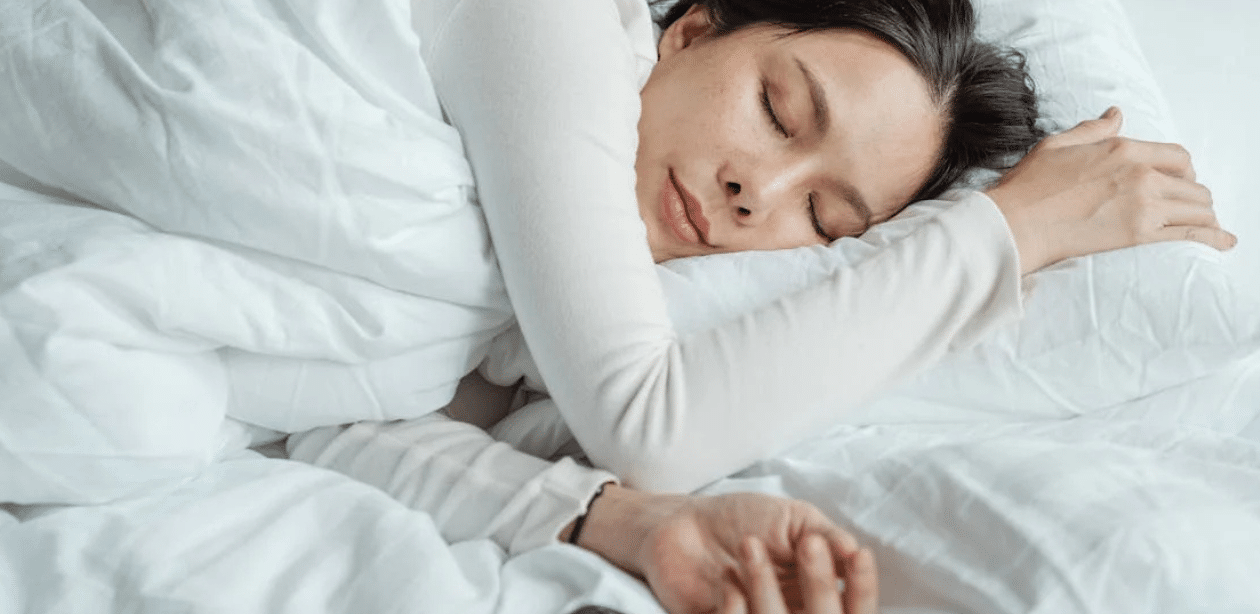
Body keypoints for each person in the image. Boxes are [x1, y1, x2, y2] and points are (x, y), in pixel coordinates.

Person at [289, 0, 1232, 612]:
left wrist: (628, 524)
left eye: (823, 217)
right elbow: (649, 424)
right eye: (780, 111)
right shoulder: (550, 23)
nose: (758, 193)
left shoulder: (519, 308)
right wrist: (1006, 233)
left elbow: (324, 428)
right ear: (694, 30)